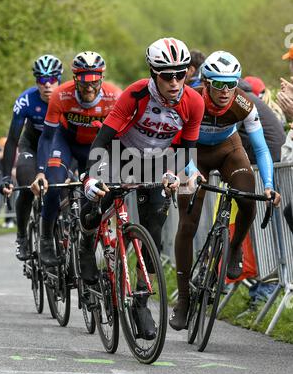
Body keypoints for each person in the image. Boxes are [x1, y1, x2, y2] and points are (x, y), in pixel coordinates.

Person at [81, 37, 205, 339]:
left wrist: (177, 174)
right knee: (95, 201)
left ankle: (140, 302)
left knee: (154, 229)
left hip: (158, 161)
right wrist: (92, 178)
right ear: (153, 73)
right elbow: (102, 141)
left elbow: (186, 151)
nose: (175, 82)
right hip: (121, 155)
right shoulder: (135, 95)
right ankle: (86, 246)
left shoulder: (194, 102)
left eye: (182, 73)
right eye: (167, 75)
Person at [169, 50, 281, 331]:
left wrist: (269, 185)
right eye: (218, 84)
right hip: (193, 153)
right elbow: (179, 144)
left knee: (247, 196)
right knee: (188, 221)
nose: (225, 91)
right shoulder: (188, 99)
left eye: (231, 84)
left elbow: (261, 148)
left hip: (228, 150)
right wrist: (186, 174)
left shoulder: (244, 104)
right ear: (205, 82)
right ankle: (183, 300)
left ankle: (233, 249)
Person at [31, 51, 122, 268]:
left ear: (101, 78)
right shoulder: (61, 96)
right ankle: (45, 239)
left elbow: (120, 138)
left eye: (94, 82)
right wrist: (42, 171)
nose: (89, 88)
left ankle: (86, 249)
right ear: (74, 79)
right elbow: (47, 137)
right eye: (83, 83)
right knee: (53, 186)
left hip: (95, 150)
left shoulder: (114, 96)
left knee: (93, 200)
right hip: (65, 144)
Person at [0, 55, 63, 259]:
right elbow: (11, 141)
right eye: (41, 80)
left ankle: (68, 232)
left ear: (59, 79)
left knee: (66, 188)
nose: (47, 85)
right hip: (31, 146)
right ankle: (22, 237)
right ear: (36, 82)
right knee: (28, 186)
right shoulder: (26, 101)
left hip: (58, 146)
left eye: (52, 79)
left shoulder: (68, 98)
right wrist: (7, 176)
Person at [238, 78, 286, 163]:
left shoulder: (241, 99)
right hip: (277, 153)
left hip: (271, 157)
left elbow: (229, 132)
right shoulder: (248, 96)